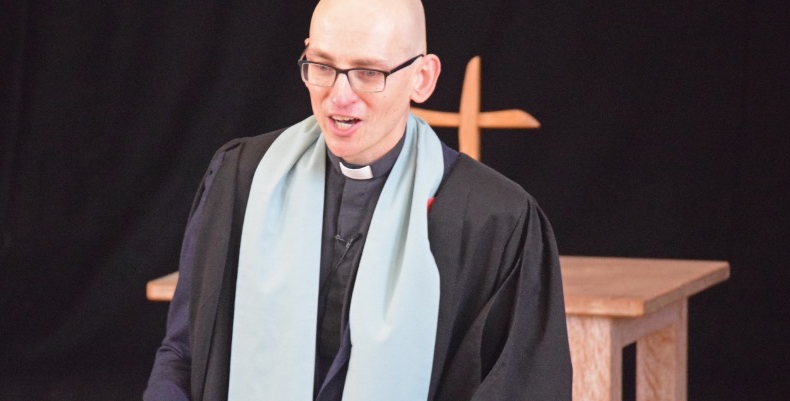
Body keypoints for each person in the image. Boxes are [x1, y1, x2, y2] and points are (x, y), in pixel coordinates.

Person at [144, 0, 572, 399]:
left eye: (368, 72)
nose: (339, 96)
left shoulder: (495, 220)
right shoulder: (242, 178)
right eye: (322, 66)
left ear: (422, 78)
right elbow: (183, 355)